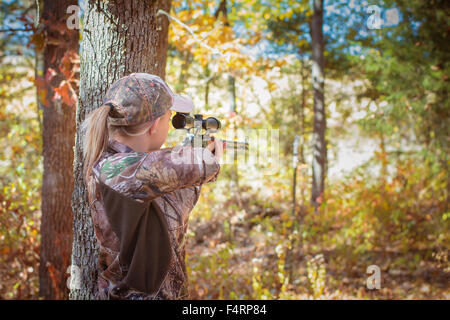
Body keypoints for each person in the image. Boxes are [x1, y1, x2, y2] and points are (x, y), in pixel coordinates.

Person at [81, 73, 223, 300]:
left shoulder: (137, 172)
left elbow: (175, 207)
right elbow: (195, 165)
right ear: (155, 124)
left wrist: (198, 153)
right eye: (169, 119)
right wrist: (207, 157)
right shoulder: (113, 170)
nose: (169, 125)